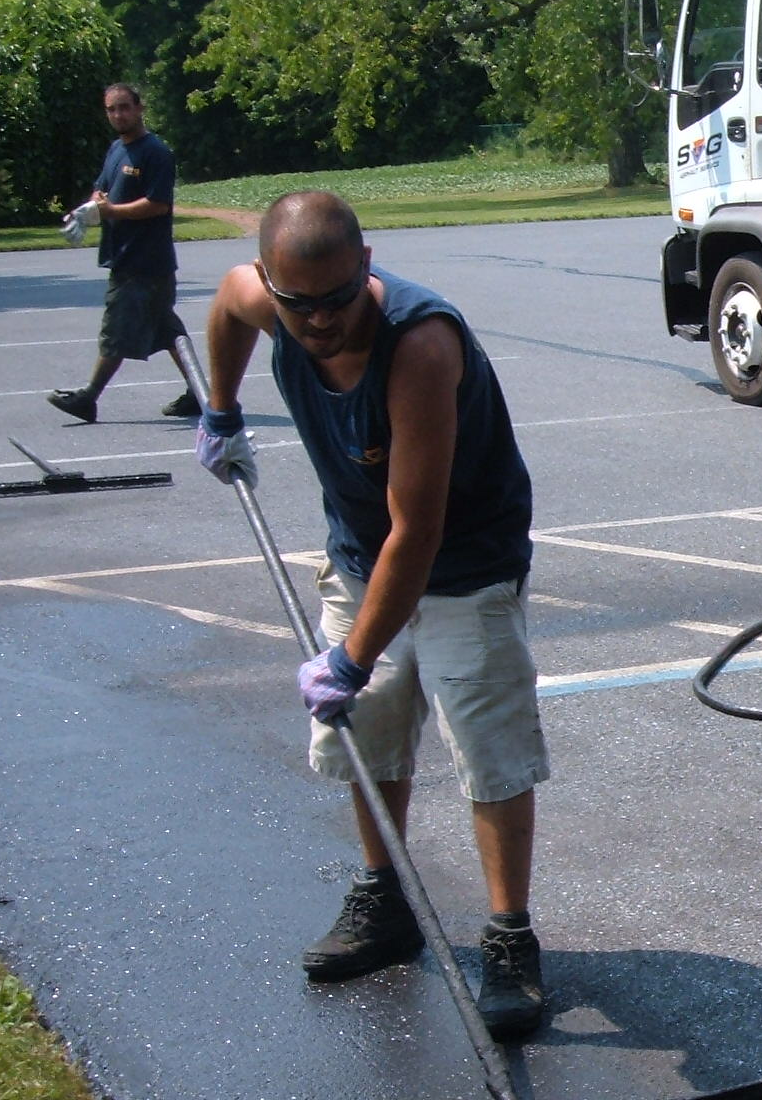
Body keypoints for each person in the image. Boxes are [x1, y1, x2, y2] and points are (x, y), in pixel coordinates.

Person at [193, 190, 551, 1037]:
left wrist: (350, 656)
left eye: (335, 300)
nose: (316, 321)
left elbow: (416, 532)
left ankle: (509, 938)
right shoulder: (268, 300)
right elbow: (225, 302)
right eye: (296, 304)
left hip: (463, 563)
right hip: (361, 555)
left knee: (487, 745)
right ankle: (385, 902)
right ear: (274, 283)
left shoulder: (421, 346)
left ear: (366, 265)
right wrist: (221, 407)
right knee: (374, 730)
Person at [47, 83, 197, 423]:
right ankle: (201, 394)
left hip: (144, 262)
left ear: (140, 107)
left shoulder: (155, 152)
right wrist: (86, 210)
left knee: (116, 331)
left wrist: (110, 212)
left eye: (124, 107)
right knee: (167, 332)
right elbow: (102, 192)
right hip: (126, 256)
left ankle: (88, 398)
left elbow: (157, 204)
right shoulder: (116, 149)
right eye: (112, 109)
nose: (118, 115)